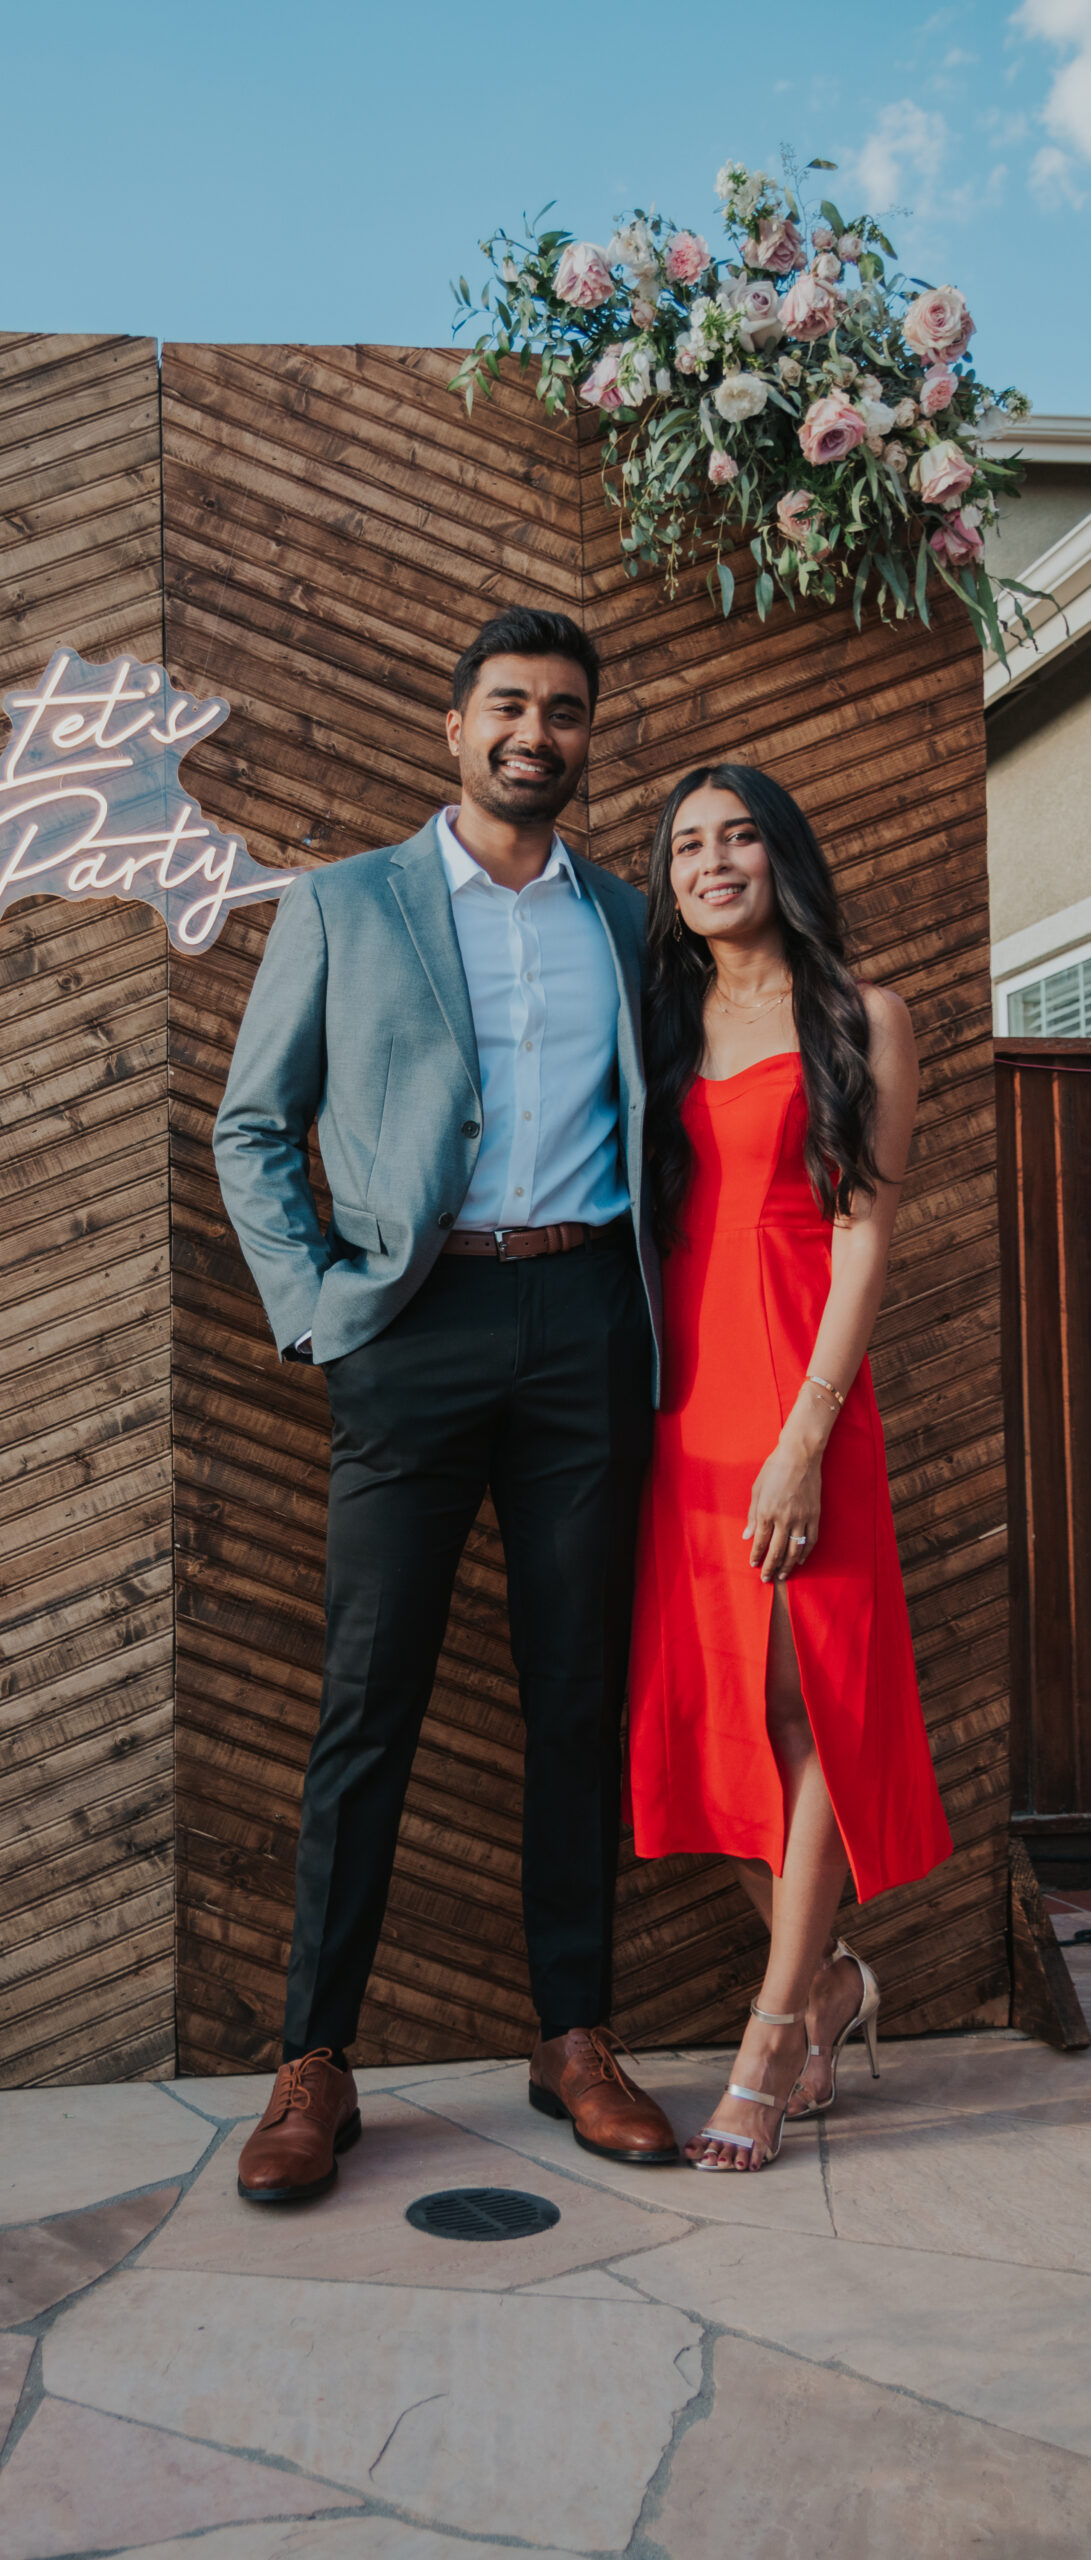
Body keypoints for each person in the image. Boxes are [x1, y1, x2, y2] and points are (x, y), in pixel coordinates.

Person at [212, 605, 679, 2203]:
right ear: (454, 726)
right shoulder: (347, 905)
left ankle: (573, 2037)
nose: (533, 734)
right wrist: (322, 1315)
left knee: (574, 1697)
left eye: (562, 711)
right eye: (506, 706)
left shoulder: (628, 919)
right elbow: (252, 1129)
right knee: (368, 1702)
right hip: (410, 1324)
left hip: (583, 1322)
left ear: (584, 737)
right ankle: (315, 2063)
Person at [627, 762, 954, 2172]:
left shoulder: (863, 1018)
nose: (713, 862)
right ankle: (829, 1985)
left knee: (804, 1696)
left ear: (782, 856)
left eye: (738, 835)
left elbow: (867, 1240)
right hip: (682, 1406)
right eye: (688, 845)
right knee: (729, 1718)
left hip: (805, 1394)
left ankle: (768, 2038)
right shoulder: (656, 1025)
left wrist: (806, 1440)